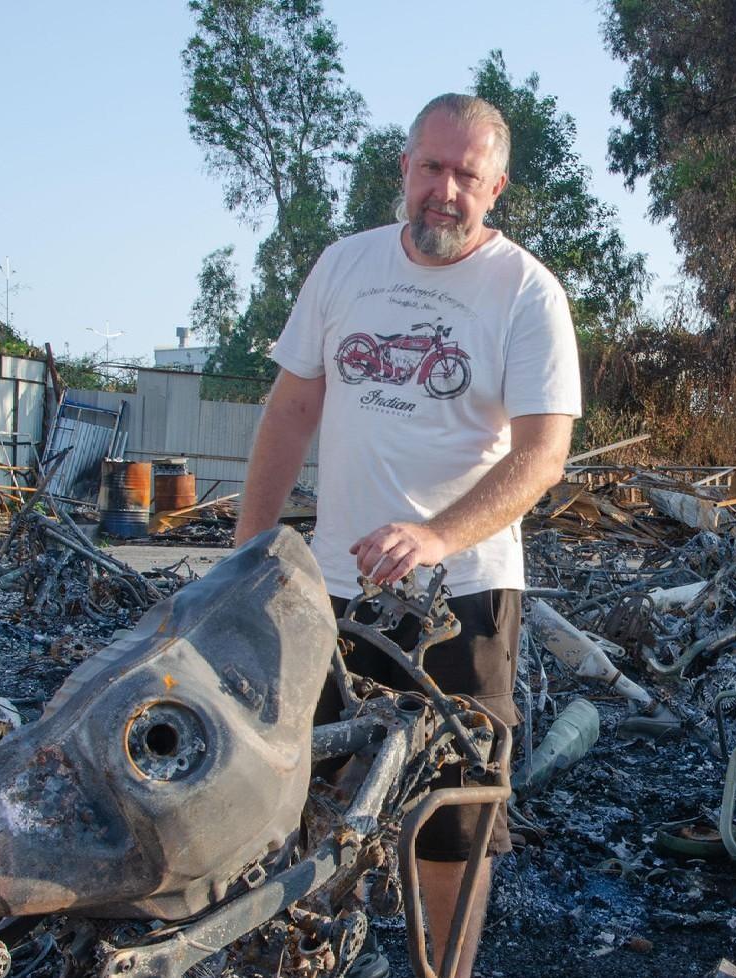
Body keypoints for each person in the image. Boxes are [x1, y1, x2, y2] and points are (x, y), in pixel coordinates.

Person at [233, 92, 580, 978]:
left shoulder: (526, 291)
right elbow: (291, 411)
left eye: (467, 175)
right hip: (330, 593)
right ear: (404, 167)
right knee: (300, 800)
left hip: (462, 597)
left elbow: (542, 456)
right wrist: (248, 552)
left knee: (450, 821)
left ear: (495, 188)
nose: (445, 190)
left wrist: (434, 536)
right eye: (432, 167)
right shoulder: (343, 266)